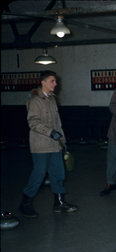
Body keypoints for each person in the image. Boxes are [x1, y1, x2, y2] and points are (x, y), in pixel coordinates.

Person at [19, 70, 77, 218]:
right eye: (52, 81)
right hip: (40, 145)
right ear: (43, 82)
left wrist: (62, 141)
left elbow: (58, 123)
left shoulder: (52, 99)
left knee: (58, 173)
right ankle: (25, 203)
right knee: (39, 174)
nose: (55, 84)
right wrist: (50, 132)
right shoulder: (35, 100)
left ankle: (59, 203)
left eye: (55, 81)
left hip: (55, 145)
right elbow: (33, 122)